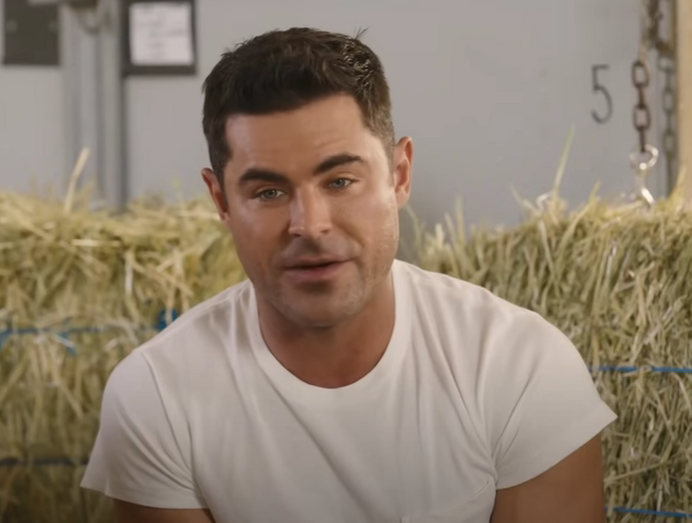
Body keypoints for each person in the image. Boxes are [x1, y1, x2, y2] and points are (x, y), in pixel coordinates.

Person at [81, 27, 617, 523]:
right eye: (267, 192)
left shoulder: (520, 368)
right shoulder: (156, 396)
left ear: (399, 176)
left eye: (339, 181)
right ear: (220, 200)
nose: (309, 226)